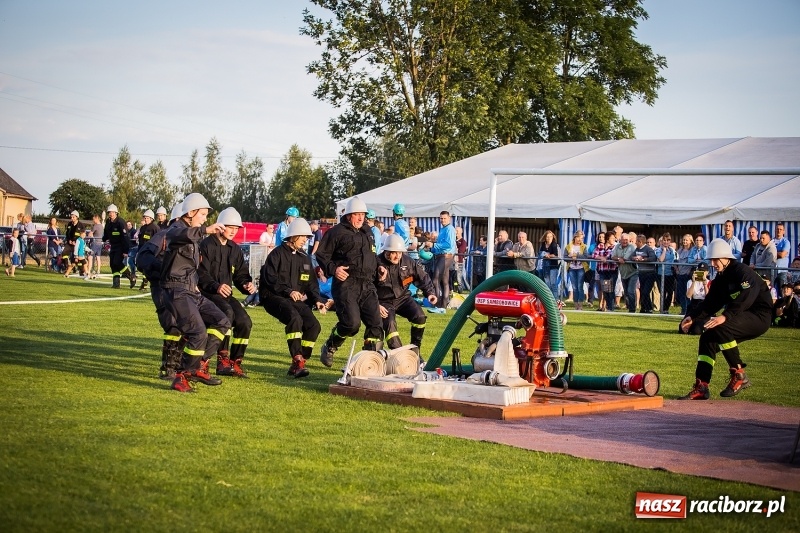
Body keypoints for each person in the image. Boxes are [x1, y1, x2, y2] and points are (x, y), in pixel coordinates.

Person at [679, 239, 772, 400]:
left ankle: (739, 375)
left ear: (726, 257)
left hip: (760, 316)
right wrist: (692, 317)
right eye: (711, 260)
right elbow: (710, 304)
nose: (713, 263)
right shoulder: (721, 278)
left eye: (715, 259)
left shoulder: (742, 271)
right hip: (740, 315)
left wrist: (725, 316)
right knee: (707, 338)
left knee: (721, 327)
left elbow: (747, 297)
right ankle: (702, 386)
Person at [161, 193, 230, 392]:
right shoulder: (177, 229)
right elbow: (177, 236)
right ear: (190, 213)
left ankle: (198, 366)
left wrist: (196, 283)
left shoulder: (193, 235)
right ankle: (181, 376)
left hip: (192, 291)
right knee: (198, 331)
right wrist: (205, 230)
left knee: (222, 320)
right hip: (176, 291)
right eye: (202, 215)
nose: (205, 219)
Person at [316, 197, 384, 367]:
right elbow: (321, 255)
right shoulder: (336, 232)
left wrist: (380, 267)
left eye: (363, 215)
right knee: (351, 324)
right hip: (346, 284)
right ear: (348, 216)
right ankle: (330, 346)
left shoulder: (368, 231)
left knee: (376, 323)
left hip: (367, 284)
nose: (361, 218)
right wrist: (334, 269)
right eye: (357, 215)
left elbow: (372, 255)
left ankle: (369, 361)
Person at [261, 218, 330, 378]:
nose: (306, 240)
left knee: (314, 326)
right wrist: (289, 291)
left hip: (293, 300)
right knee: (295, 319)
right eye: (303, 236)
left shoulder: (304, 258)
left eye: (307, 237)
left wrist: (318, 300)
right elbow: (270, 279)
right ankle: (297, 358)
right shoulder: (276, 255)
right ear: (293, 236)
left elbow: (312, 285)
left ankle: (299, 361)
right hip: (273, 297)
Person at [197, 207, 256, 378]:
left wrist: (246, 284)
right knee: (227, 314)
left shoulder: (235, 249)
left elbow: (240, 274)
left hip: (226, 296)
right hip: (207, 293)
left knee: (245, 322)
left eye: (237, 228)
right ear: (221, 226)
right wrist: (216, 286)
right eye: (231, 227)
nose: (233, 231)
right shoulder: (205, 245)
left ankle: (234, 362)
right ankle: (210, 360)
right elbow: (200, 273)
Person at [136, 201, 185, 380]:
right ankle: (169, 368)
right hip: (162, 287)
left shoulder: (187, 239)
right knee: (173, 324)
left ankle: (180, 365)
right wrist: (165, 268)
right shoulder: (164, 235)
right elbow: (143, 258)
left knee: (187, 324)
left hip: (181, 289)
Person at [375, 233, 437, 355]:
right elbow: (367, 287)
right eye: (394, 253)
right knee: (390, 324)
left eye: (400, 253)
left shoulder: (408, 262)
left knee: (420, 317)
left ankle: (415, 352)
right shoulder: (375, 263)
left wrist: (430, 293)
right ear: (386, 251)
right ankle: (401, 356)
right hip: (383, 302)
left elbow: (422, 277)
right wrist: (376, 304)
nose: (397, 256)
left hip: (403, 298)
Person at [424, 210, 457, 309]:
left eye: (444, 218)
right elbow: (440, 247)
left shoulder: (450, 229)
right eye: (441, 218)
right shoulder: (443, 229)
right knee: (445, 282)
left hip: (446, 256)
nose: (442, 220)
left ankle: (437, 304)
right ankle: (443, 306)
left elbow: (448, 245)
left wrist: (433, 244)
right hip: (442, 256)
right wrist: (430, 248)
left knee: (435, 280)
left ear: (449, 218)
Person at [102, 204, 134, 289]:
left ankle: (131, 277)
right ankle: (116, 284)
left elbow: (125, 237)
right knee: (113, 264)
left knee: (117, 262)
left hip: (121, 246)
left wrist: (125, 251)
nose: (111, 214)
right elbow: (106, 233)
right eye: (109, 212)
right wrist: (104, 239)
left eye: (112, 212)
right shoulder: (108, 222)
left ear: (116, 213)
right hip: (113, 246)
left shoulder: (121, 222)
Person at [680, 262, 710, 335]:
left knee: (696, 331)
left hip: (704, 305)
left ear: (707, 272)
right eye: (699, 271)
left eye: (703, 271)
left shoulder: (710, 282)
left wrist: (705, 284)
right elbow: (688, 295)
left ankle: (703, 326)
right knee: (681, 329)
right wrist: (693, 282)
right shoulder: (690, 282)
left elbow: (708, 297)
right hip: (694, 304)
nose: (701, 273)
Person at [611, 232, 637, 313]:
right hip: (623, 273)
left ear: (629, 240)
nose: (625, 241)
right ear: (620, 240)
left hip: (633, 272)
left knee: (630, 291)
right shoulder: (617, 246)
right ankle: (629, 306)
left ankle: (632, 309)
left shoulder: (631, 247)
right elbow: (613, 256)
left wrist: (620, 259)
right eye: (623, 240)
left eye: (627, 240)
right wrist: (619, 259)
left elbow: (626, 258)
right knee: (626, 292)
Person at [136, 210, 160, 290]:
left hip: (151, 251)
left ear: (151, 218)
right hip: (142, 250)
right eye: (145, 218)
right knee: (142, 267)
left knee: (148, 267)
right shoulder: (143, 228)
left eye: (147, 218)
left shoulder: (155, 228)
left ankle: (145, 283)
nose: (145, 219)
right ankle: (145, 282)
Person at [564, 231, 588, 310]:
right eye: (578, 237)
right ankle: (576, 305)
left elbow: (585, 257)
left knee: (580, 287)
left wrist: (576, 255)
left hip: (581, 268)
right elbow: (564, 257)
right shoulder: (568, 246)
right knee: (574, 287)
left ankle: (580, 305)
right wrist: (570, 257)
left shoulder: (584, 246)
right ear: (575, 237)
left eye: (581, 238)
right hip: (571, 269)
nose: (579, 240)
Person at [593, 231, 617, 311]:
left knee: (611, 289)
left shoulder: (615, 247)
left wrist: (606, 258)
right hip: (603, 271)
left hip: (612, 271)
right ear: (607, 239)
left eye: (614, 238)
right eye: (612, 238)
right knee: (605, 289)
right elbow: (594, 255)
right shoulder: (600, 246)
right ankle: (608, 307)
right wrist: (601, 258)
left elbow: (613, 256)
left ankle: (611, 307)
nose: (614, 239)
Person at [655, 232, 676, 314]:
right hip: (661, 274)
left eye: (668, 240)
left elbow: (674, 260)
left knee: (670, 293)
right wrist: (664, 251)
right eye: (664, 240)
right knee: (662, 293)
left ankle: (666, 309)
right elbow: (661, 260)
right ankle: (662, 309)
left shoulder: (671, 250)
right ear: (662, 241)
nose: (666, 242)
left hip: (670, 274)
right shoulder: (659, 250)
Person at [675, 233, 695, 315]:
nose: (685, 241)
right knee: (681, 293)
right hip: (680, 274)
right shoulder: (679, 250)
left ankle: (689, 309)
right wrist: (676, 269)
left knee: (688, 293)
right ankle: (683, 309)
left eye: (686, 240)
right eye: (684, 240)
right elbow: (675, 261)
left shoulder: (692, 250)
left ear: (690, 241)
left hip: (687, 275)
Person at [62, 211, 85, 277]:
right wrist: (69, 240)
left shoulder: (81, 225)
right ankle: (67, 266)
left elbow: (83, 234)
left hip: (77, 244)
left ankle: (81, 271)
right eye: (71, 217)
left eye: (73, 217)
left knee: (76, 259)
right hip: (70, 243)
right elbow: (67, 234)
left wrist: (77, 241)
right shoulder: (69, 224)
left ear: (77, 217)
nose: (72, 218)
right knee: (64, 252)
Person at [538, 230, 560, 300]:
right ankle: (550, 300)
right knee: (547, 284)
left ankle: (556, 301)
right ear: (545, 237)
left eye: (550, 236)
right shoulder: (543, 244)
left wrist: (549, 255)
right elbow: (540, 253)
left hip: (553, 266)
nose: (549, 238)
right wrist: (544, 254)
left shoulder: (554, 244)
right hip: (545, 266)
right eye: (547, 237)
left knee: (553, 284)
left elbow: (555, 254)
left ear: (553, 237)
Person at [773, 222, 791, 287]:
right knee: (771, 289)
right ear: (775, 230)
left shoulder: (786, 242)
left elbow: (782, 255)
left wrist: (772, 254)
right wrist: (778, 253)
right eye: (777, 229)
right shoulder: (771, 241)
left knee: (783, 290)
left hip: (782, 271)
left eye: (781, 229)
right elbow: (766, 254)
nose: (779, 231)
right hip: (772, 270)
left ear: (784, 231)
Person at [86, 214, 104, 279]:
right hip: (100, 243)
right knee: (98, 257)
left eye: (94, 219)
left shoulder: (96, 226)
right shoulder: (102, 226)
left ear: (97, 218)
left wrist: (88, 236)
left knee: (90, 257)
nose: (93, 221)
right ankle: (98, 270)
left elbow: (90, 234)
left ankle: (88, 270)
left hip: (95, 243)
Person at [454, 226, 470, 293]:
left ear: (461, 232)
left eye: (457, 230)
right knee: (454, 277)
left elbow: (461, 251)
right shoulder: (453, 240)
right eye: (455, 230)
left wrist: (455, 249)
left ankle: (460, 291)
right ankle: (454, 290)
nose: (456, 232)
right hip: (452, 262)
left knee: (459, 278)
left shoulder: (463, 241)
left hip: (459, 262)